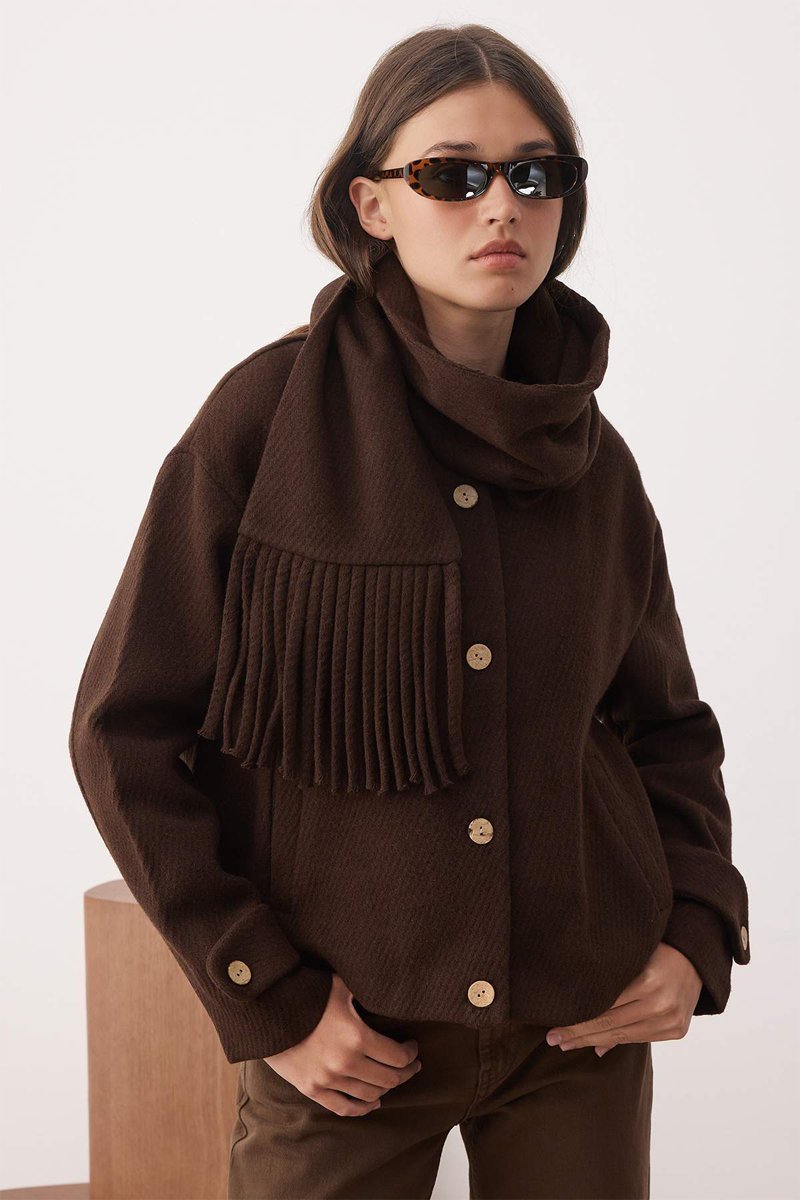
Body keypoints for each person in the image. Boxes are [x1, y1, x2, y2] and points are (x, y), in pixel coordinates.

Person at [68, 22, 751, 1200]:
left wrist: (694, 930)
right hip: (347, 1047)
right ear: (371, 202)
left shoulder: (593, 459)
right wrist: (266, 996)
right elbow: (123, 730)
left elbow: (662, 728)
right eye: (451, 174)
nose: (501, 206)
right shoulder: (262, 420)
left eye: (534, 173)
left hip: (576, 1035)